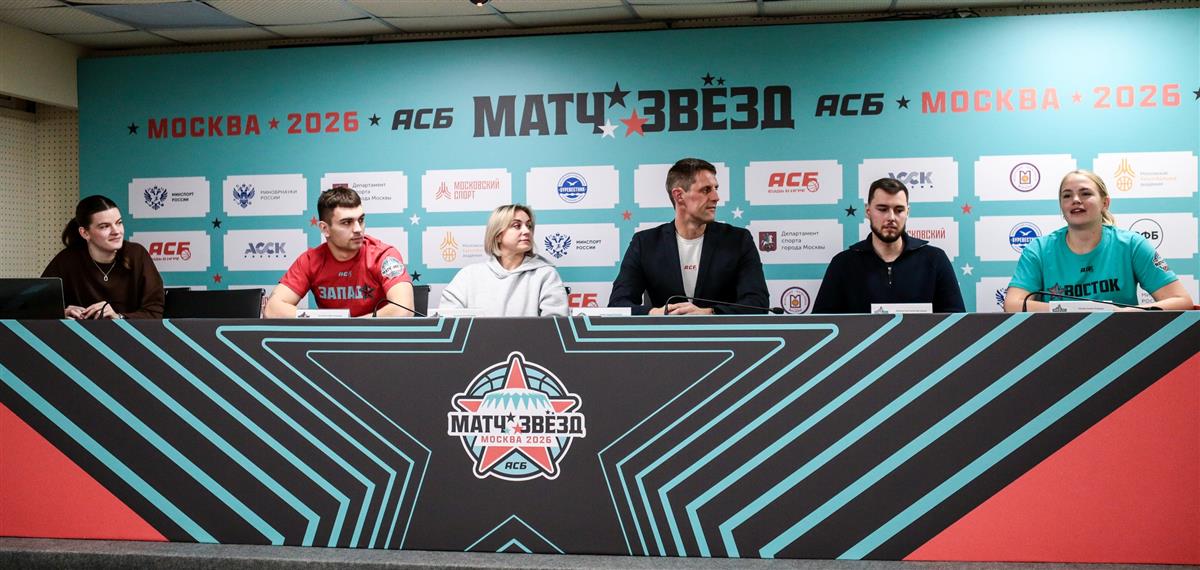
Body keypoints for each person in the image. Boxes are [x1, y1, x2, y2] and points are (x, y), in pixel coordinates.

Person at [1004, 170, 1192, 312]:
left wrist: (1126, 313)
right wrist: (1070, 311)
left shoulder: (1132, 245)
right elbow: (1012, 304)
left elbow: (1181, 301)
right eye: (1067, 195)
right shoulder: (1038, 250)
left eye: (1085, 193)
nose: (1075, 200)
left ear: (1105, 203)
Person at [608, 158, 768, 315]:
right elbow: (618, 304)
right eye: (706, 190)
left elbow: (758, 303)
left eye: (716, 188)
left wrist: (710, 313)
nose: (716, 197)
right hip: (665, 333)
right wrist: (654, 313)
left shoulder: (738, 240)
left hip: (722, 333)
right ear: (679, 196)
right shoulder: (645, 243)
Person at [813, 177, 964, 313]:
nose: (891, 217)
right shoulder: (843, 263)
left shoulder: (935, 259)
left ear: (907, 212)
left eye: (899, 210)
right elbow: (823, 324)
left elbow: (956, 323)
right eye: (882, 209)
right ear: (868, 211)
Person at [265, 187, 414, 317]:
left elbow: (404, 309)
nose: (358, 229)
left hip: (377, 338)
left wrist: (350, 327)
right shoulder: (310, 260)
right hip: (330, 339)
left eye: (360, 220)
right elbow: (272, 309)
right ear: (325, 228)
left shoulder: (383, 255)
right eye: (347, 222)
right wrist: (326, 321)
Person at [42, 195, 164, 319]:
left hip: (129, 332)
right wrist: (61, 313)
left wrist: (119, 317)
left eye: (119, 223)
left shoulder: (137, 254)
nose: (116, 231)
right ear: (85, 233)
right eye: (105, 226)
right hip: (79, 332)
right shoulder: (67, 260)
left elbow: (155, 312)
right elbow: (37, 309)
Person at [439, 204, 568, 316]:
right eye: (517, 226)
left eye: (529, 226)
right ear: (498, 235)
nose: (526, 231)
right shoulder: (468, 275)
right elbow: (448, 322)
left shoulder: (546, 275)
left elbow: (556, 327)